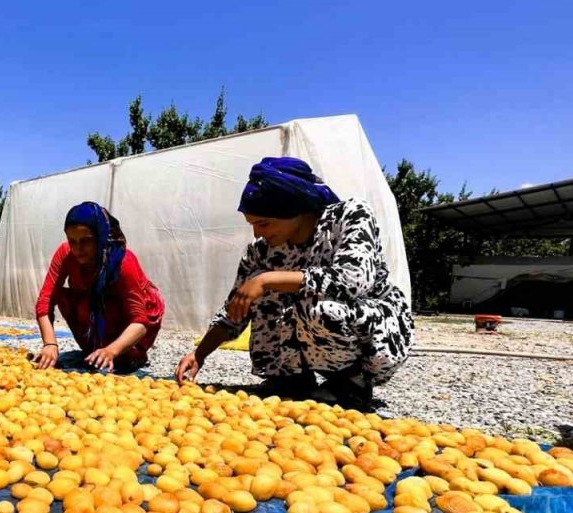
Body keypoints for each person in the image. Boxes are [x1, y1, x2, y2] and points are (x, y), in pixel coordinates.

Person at [175, 157, 412, 407]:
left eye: (264, 223)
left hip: (373, 330)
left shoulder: (349, 217)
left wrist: (267, 279)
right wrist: (199, 354)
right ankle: (290, 377)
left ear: (296, 209)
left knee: (311, 298)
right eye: (253, 225)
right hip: (311, 330)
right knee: (259, 291)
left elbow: (352, 280)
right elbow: (235, 310)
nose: (257, 233)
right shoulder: (261, 252)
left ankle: (351, 383)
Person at [33, 201, 165, 373]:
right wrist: (50, 344)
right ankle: (97, 349)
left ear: (100, 236)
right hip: (95, 308)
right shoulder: (65, 254)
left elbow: (140, 321)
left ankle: (130, 352)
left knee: (120, 358)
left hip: (131, 317)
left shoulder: (122, 262)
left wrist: (112, 350)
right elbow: (45, 300)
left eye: (86, 241)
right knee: (70, 301)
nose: (78, 249)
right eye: (72, 241)